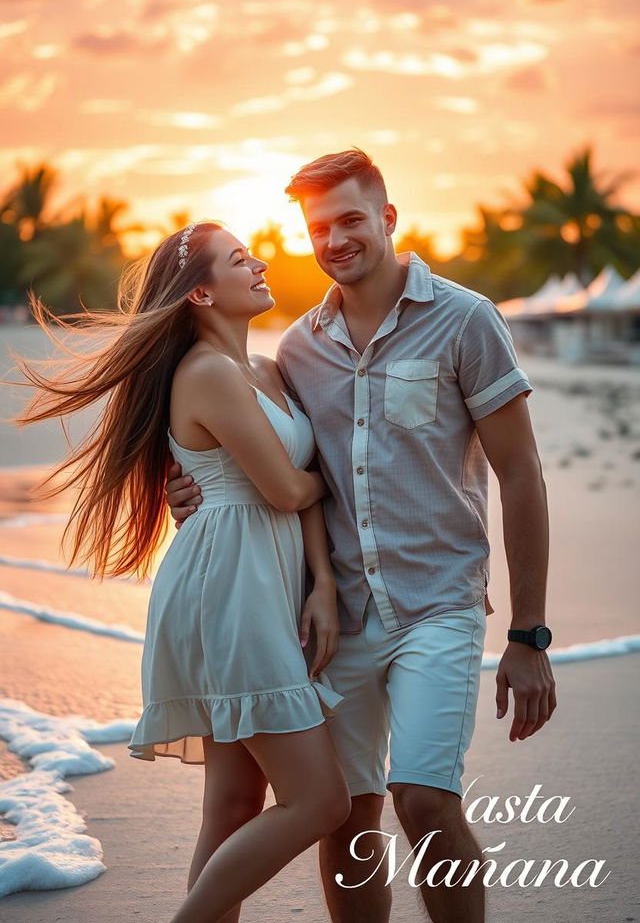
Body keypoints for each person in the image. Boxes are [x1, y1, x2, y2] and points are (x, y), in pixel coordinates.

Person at [167, 149, 557, 923]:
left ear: (386, 218)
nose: (336, 238)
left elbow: (522, 474)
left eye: (351, 219)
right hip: (334, 615)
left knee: (423, 799)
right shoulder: (300, 350)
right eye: (320, 227)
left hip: (436, 605)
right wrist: (193, 493)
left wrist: (528, 634)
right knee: (346, 815)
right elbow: (257, 456)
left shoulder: (466, 319)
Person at [12, 221, 351, 923]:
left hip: (264, 579)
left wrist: (321, 582)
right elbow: (290, 490)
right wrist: (339, 480)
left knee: (232, 806)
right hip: (229, 590)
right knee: (321, 801)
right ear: (200, 291)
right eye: (238, 260)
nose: (259, 264)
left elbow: (294, 484)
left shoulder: (267, 370)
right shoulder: (205, 373)